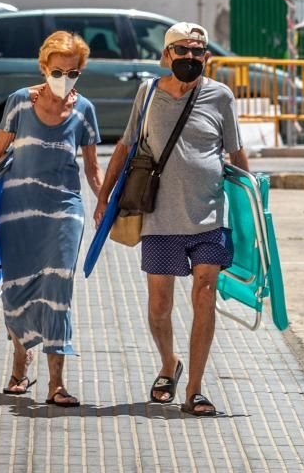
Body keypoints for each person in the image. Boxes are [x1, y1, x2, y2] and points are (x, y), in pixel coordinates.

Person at [97, 21, 247, 417]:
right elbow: (126, 146)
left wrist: (253, 209)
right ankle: (169, 364)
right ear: (166, 56)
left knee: (204, 296)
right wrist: (104, 197)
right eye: (182, 50)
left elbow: (237, 155)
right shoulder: (147, 94)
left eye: (198, 51)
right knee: (160, 307)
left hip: (209, 217)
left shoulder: (221, 97)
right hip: (160, 218)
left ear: (206, 57)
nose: (190, 57)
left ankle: (195, 389)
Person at [0, 30, 102, 407]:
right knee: (17, 288)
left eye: (72, 73)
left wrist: (107, 207)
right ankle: (21, 360)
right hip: (17, 211)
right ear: (43, 67)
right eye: (57, 71)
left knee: (57, 290)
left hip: (64, 210)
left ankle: (56, 383)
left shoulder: (84, 110)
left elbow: (93, 171)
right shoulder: (20, 102)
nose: (64, 79)